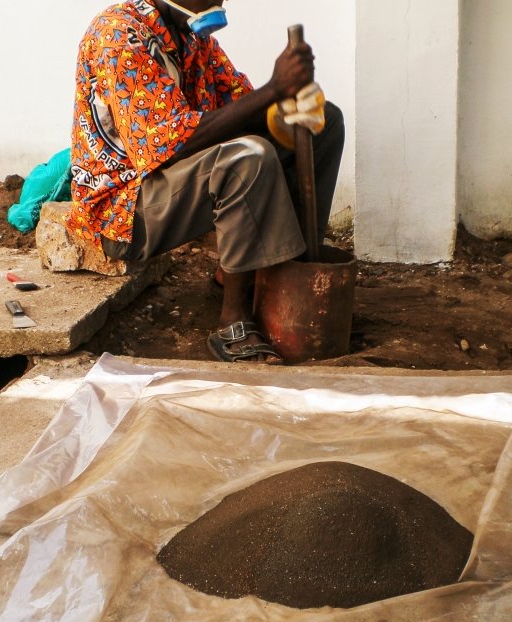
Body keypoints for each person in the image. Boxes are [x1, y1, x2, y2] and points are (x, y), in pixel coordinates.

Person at [68, 0, 344, 364]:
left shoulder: (191, 36)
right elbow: (169, 144)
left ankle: (288, 276)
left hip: (168, 181)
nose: (220, 0)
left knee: (323, 121)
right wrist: (274, 88)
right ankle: (234, 321)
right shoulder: (118, 35)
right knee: (247, 157)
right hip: (124, 208)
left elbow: (242, 106)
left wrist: (291, 103)